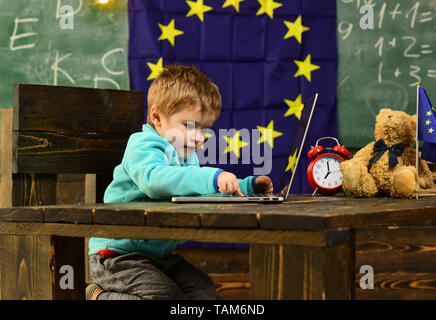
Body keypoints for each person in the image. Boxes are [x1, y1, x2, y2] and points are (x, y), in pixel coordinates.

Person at [86, 64, 273, 300]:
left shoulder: (186, 155)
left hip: (158, 257)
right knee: (165, 297)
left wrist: (244, 187)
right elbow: (155, 181)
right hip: (118, 255)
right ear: (157, 117)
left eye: (205, 129)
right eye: (189, 126)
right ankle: (98, 296)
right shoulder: (143, 145)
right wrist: (213, 177)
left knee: (203, 291)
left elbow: (195, 195)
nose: (198, 137)